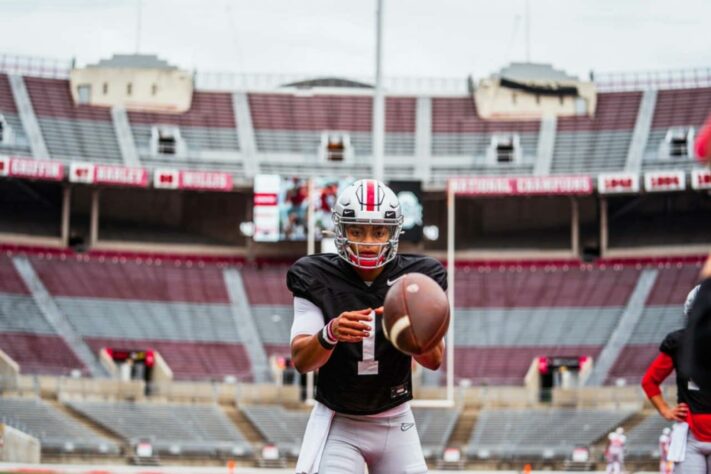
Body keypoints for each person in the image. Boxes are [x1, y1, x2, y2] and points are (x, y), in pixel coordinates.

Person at [287, 179, 446, 474]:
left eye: (378, 231)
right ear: (341, 230)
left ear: (393, 231)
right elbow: (301, 360)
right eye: (357, 230)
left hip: (396, 420)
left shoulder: (420, 277)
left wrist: (411, 329)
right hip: (340, 422)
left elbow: (435, 361)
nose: (368, 242)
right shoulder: (314, 275)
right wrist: (330, 333)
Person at [642, 274, 711, 473]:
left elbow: (649, 382)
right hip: (690, 435)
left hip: (691, 432)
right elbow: (650, 382)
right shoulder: (679, 343)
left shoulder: (681, 342)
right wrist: (665, 410)